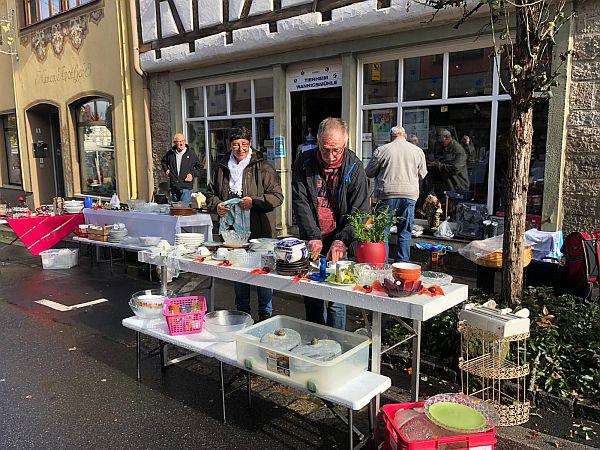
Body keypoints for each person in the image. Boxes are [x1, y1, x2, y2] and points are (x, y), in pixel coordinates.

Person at [292, 118, 370, 330]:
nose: (330, 156)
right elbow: (301, 203)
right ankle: (316, 341)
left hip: (340, 237)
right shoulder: (304, 162)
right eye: (325, 149)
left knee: (337, 298)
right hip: (313, 237)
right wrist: (312, 235)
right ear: (317, 141)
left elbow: (361, 211)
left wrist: (342, 240)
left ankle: (337, 344)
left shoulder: (354, 166)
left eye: (336, 150)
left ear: (345, 143)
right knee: (312, 294)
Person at [205, 127, 283, 321]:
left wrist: (254, 202)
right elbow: (210, 194)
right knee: (239, 273)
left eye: (244, 144)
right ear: (230, 146)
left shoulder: (263, 167)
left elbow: (277, 196)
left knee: (263, 274)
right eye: (236, 145)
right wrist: (217, 206)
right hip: (233, 234)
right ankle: (243, 316)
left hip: (260, 230)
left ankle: (266, 316)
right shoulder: (221, 167)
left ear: (250, 144)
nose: (240, 149)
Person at [366, 126, 427, 262]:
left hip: (387, 194)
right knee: (405, 232)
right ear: (405, 136)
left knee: (383, 233)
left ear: (390, 137)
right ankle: (402, 265)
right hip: (409, 195)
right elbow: (423, 174)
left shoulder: (381, 150)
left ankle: (383, 264)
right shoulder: (417, 151)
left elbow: (369, 172)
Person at [161, 133, 202, 205]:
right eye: (179, 141)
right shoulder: (170, 153)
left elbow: (200, 167)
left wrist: (192, 175)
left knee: (183, 210)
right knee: (175, 212)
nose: (181, 143)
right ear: (175, 143)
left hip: (186, 187)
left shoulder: (191, 153)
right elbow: (163, 162)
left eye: (183, 141)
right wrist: (166, 170)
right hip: (174, 187)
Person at [429, 129, 470, 193]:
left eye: (441, 142)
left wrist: (439, 165)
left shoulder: (457, 150)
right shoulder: (445, 148)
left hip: (458, 186)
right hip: (448, 186)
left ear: (447, 138)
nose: (440, 144)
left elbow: (456, 168)